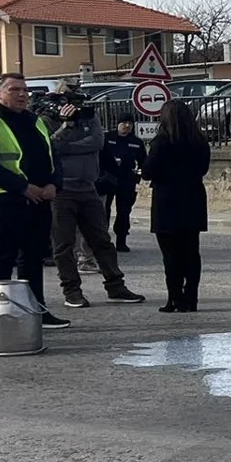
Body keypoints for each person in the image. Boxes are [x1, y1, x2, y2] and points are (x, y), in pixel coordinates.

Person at [48, 83, 144, 308]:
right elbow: (50, 146)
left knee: (102, 241)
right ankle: (72, 291)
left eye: (79, 102)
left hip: (89, 188)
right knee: (64, 245)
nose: (77, 107)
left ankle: (116, 287)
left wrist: (68, 145)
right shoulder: (47, 119)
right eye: (71, 101)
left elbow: (98, 142)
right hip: (62, 191)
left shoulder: (90, 117)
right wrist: (67, 127)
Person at [0, 72, 69, 329]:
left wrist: (53, 184)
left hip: (39, 200)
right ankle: (1, 318)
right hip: (5, 201)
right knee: (2, 260)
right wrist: (22, 187)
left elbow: (53, 155)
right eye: (14, 89)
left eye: (25, 90)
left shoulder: (34, 120)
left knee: (33, 258)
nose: (22, 94)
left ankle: (36, 310)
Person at [144, 100, 211, 313]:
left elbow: (148, 171)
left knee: (171, 254)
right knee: (191, 252)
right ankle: (191, 298)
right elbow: (203, 168)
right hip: (192, 196)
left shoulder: (161, 142)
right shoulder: (199, 141)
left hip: (167, 199)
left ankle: (174, 297)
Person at [101, 118, 145, 252]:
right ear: (118, 124)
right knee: (104, 210)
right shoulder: (107, 138)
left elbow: (144, 162)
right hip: (107, 178)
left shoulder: (136, 142)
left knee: (124, 211)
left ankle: (121, 241)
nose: (127, 126)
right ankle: (103, 241)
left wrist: (138, 176)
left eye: (130, 123)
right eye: (124, 123)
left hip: (126, 179)